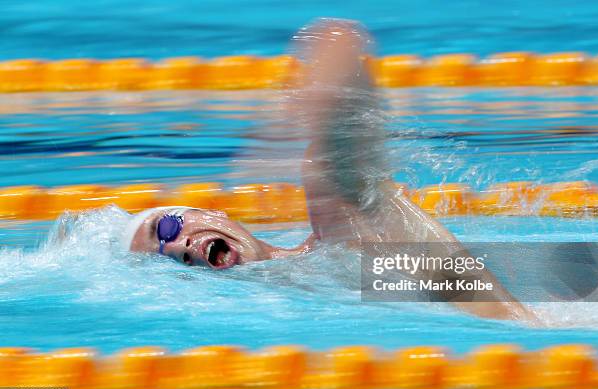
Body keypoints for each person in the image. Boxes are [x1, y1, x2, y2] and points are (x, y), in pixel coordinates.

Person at [121, 19, 534, 321]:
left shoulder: (341, 227)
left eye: (166, 227)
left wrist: (286, 121)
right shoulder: (281, 303)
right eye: (162, 260)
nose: (175, 249)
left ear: (215, 214)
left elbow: (342, 40)